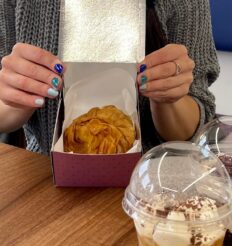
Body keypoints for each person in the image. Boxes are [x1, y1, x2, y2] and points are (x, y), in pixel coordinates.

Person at [0, 0, 219, 155]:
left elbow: (192, 130)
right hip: (45, 178)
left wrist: (168, 97)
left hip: (153, 185)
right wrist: (18, 96)